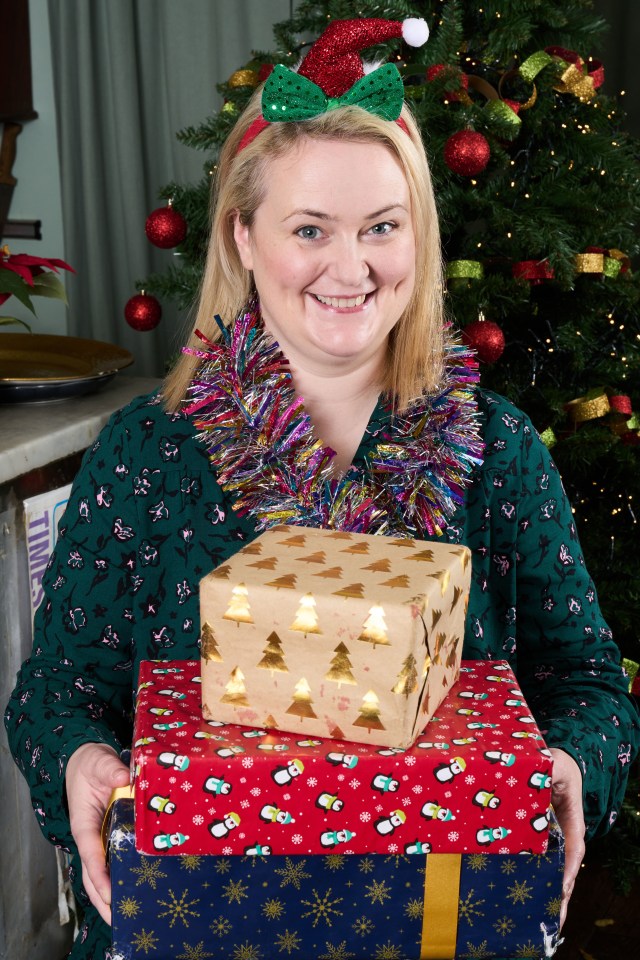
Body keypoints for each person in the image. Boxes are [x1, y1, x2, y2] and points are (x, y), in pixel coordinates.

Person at [4, 16, 639, 960]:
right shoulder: (150, 456)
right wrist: (82, 765)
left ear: (417, 236)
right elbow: (53, 692)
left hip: (444, 921)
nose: (353, 268)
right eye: (311, 229)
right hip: (198, 924)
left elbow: (590, 684)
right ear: (244, 236)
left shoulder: (495, 450)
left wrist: (564, 767)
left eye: (383, 227)